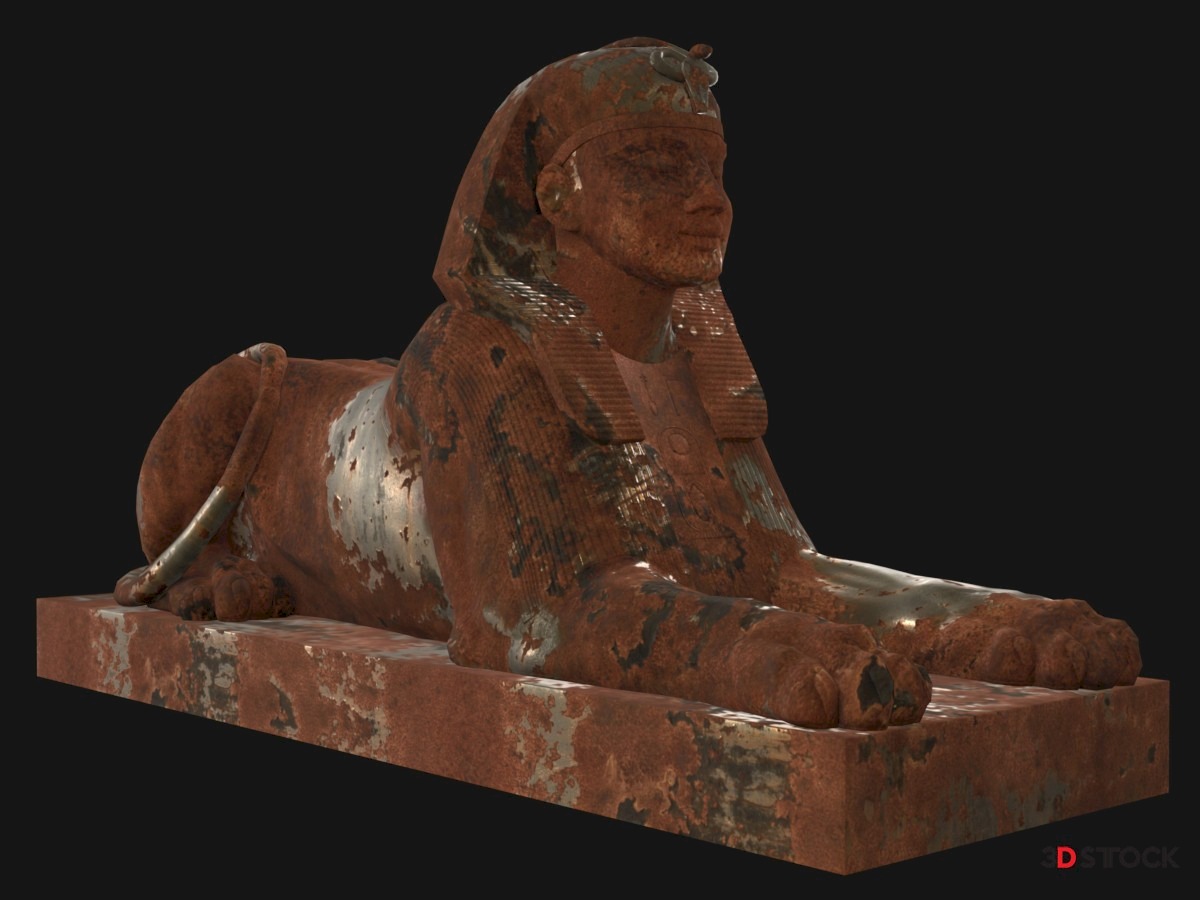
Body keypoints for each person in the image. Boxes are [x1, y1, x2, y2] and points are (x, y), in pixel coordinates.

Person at [117, 39, 1139, 729]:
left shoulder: (691, 350)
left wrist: (985, 617)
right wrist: (757, 651)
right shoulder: (478, 353)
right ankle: (218, 558)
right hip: (283, 446)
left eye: (713, 168)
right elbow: (530, 620)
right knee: (243, 388)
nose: (709, 200)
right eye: (655, 165)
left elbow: (782, 567)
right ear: (557, 193)